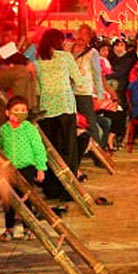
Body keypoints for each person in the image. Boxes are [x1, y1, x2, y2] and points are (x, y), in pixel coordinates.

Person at [33, 29, 90, 198]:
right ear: (58, 41)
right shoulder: (65, 57)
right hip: (65, 107)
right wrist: (80, 77)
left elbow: (37, 89)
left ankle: (51, 189)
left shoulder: (38, 61)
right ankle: (67, 190)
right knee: (68, 149)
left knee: (51, 150)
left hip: (46, 110)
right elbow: (79, 82)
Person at [0, 96, 47, 240]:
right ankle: (9, 229)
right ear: (8, 113)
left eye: (23, 110)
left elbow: (38, 148)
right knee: (8, 199)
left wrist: (40, 167)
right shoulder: (3, 130)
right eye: (16, 110)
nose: (19, 113)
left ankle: (28, 228)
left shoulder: (29, 129)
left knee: (26, 198)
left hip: (27, 167)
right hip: (9, 169)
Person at [72, 25, 103, 145]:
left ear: (90, 38)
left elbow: (97, 74)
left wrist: (100, 94)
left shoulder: (92, 53)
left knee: (90, 122)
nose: (81, 36)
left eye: (85, 34)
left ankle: (98, 152)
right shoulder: (68, 49)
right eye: (80, 32)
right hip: (67, 92)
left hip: (83, 92)